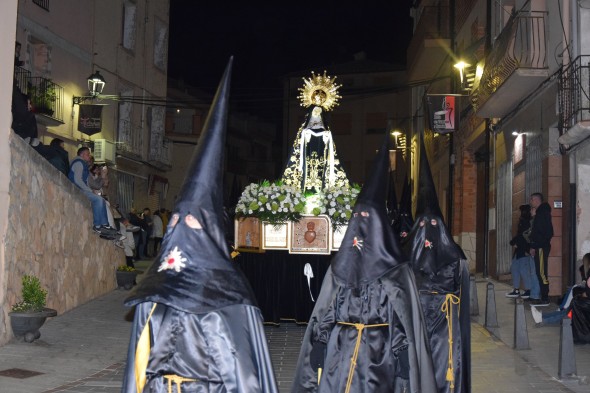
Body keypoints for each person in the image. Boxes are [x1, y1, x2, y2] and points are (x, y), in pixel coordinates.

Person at [121, 59, 278, 393]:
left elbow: (243, 375)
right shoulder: (153, 294)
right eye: (177, 219)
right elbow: (136, 366)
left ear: (209, 230)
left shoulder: (230, 295)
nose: (180, 227)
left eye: (191, 221)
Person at [291, 137, 437, 393]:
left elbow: (398, 316)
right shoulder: (340, 266)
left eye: (366, 218)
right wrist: (321, 341)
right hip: (340, 352)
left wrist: (402, 350)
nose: (360, 224)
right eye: (357, 218)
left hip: (378, 355)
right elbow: (328, 311)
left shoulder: (395, 270)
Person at [404, 137, 471, 393]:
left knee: (443, 365)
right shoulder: (406, 257)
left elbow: (462, 296)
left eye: (433, 225)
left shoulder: (456, 256)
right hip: (416, 318)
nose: (428, 232)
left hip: (446, 323)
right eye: (422, 225)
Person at [282, 72, 350, 193]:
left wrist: (326, 135)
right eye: (315, 111)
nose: (317, 113)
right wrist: (306, 133)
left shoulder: (325, 129)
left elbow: (329, 142)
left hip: (321, 151)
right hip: (308, 150)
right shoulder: (305, 128)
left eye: (319, 111)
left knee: (321, 167)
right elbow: (301, 139)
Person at [68, 147, 118, 237]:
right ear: (82, 155)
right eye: (87, 154)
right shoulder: (79, 163)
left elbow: (86, 182)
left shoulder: (82, 164)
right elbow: (77, 180)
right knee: (98, 200)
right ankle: (98, 226)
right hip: (77, 189)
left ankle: (105, 225)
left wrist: (92, 189)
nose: (89, 156)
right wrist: (90, 190)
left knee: (100, 200)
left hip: (81, 189)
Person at [506, 204, 539, 300]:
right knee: (515, 268)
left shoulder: (526, 222)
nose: (519, 213)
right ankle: (516, 289)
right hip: (520, 250)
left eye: (520, 211)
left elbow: (522, 236)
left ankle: (528, 290)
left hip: (524, 250)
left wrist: (513, 242)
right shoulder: (524, 221)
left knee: (524, 270)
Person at [529, 192, 554, 306]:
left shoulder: (542, 212)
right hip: (539, 246)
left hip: (541, 247)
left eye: (532, 199)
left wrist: (537, 245)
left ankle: (545, 298)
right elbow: (536, 232)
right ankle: (543, 297)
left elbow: (544, 231)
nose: (531, 202)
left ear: (537, 200)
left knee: (542, 273)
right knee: (540, 272)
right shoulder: (540, 213)